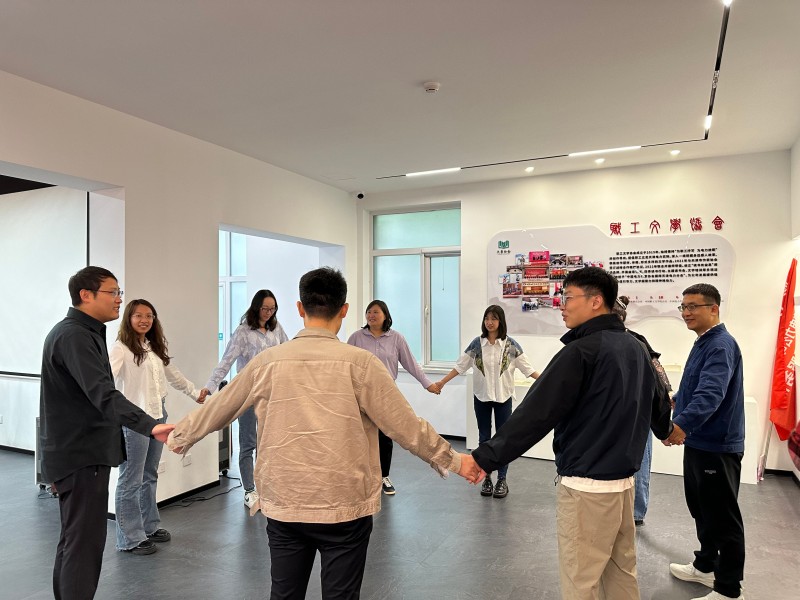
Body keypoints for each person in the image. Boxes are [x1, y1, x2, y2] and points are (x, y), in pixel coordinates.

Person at [168, 267, 475, 599]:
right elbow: (405, 425)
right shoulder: (361, 363)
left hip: (285, 501)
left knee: (284, 594)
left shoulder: (268, 362)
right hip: (345, 504)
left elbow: (221, 405)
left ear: (300, 308)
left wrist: (179, 435)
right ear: (344, 310)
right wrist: (456, 461)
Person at [461, 267, 673, 599]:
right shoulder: (636, 346)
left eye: (568, 297)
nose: (562, 305)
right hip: (624, 486)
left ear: (595, 301)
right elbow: (657, 397)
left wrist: (485, 458)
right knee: (621, 573)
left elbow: (535, 414)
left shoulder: (581, 351)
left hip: (587, 488)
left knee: (581, 580)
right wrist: (666, 430)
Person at [39, 266, 174, 600]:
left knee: (75, 541)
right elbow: (103, 393)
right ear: (86, 295)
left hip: (81, 454)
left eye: (119, 292)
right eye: (112, 292)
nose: (119, 300)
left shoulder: (84, 333)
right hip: (81, 456)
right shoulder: (74, 336)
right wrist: (150, 424)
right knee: (83, 546)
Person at [666, 284, 745, 600]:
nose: (686, 313)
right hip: (700, 442)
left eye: (693, 307)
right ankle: (705, 566)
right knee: (702, 509)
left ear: (714, 308)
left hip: (717, 445)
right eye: (683, 307)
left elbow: (712, 393)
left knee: (722, 517)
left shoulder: (720, 345)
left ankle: (728, 589)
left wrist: (680, 425)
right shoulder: (704, 342)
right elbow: (696, 385)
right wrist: (676, 399)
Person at [110, 299, 205, 555]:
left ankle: (149, 526)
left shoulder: (152, 347)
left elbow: (173, 375)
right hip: (134, 420)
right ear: (129, 319)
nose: (144, 320)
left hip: (157, 416)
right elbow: (106, 381)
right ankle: (129, 538)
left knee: (149, 474)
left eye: (149, 316)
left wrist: (195, 393)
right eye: (138, 315)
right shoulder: (120, 349)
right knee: (131, 479)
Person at [437, 304, 539, 499]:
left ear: (501, 321)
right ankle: (486, 477)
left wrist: (547, 380)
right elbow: (460, 366)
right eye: (487, 318)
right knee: (484, 439)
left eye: (494, 318)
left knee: (503, 440)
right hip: (482, 397)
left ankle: (502, 479)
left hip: (503, 398)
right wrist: (441, 382)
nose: (489, 322)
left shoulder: (511, 345)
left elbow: (528, 369)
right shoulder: (477, 344)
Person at [200, 289, 289, 509]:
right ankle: (250, 490)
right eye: (265, 308)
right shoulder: (243, 332)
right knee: (248, 442)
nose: (269, 312)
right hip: (248, 393)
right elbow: (227, 361)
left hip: (271, 393)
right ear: (256, 307)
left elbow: (287, 353)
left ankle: (267, 487)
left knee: (268, 443)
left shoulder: (276, 329)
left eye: (272, 309)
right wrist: (210, 386)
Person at [347, 299, 440, 495]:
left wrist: (428, 384)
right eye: (369, 312)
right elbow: (345, 364)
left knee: (385, 437)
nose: (371, 315)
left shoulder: (396, 338)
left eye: (376, 312)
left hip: (386, 395)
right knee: (361, 436)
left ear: (385, 316)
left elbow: (411, 364)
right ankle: (362, 477)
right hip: (360, 394)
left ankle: (384, 477)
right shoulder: (356, 337)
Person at [612, 296, 673, 526]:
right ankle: (630, 511)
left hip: (636, 413)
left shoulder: (636, 341)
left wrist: (666, 399)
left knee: (639, 463)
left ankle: (635, 511)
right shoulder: (634, 340)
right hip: (627, 412)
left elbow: (658, 374)